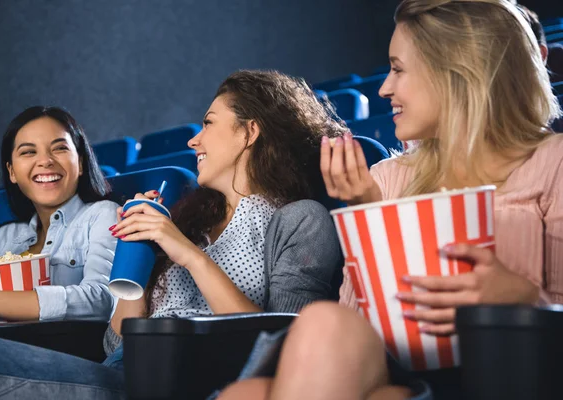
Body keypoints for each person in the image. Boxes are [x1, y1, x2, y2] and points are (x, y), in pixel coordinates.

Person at [218, 1, 563, 399]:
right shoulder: (385, 179)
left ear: (459, 72)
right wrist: (369, 217)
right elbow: (350, 326)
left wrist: (522, 297)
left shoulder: (553, 162)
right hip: (391, 371)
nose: (385, 88)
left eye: (398, 69)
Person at [0, 70, 344, 399]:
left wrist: (188, 254)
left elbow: (285, 342)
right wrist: (140, 254)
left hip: (181, 380)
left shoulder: (300, 219)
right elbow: (115, 342)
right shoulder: (191, 224)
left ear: (249, 131)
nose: (194, 141)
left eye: (208, 123)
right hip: (125, 370)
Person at [0, 106, 118, 323]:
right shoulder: (6, 236)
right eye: (28, 152)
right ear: (12, 172)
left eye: (59, 149)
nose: (45, 161)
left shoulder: (102, 215)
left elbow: (101, 301)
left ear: (80, 163)